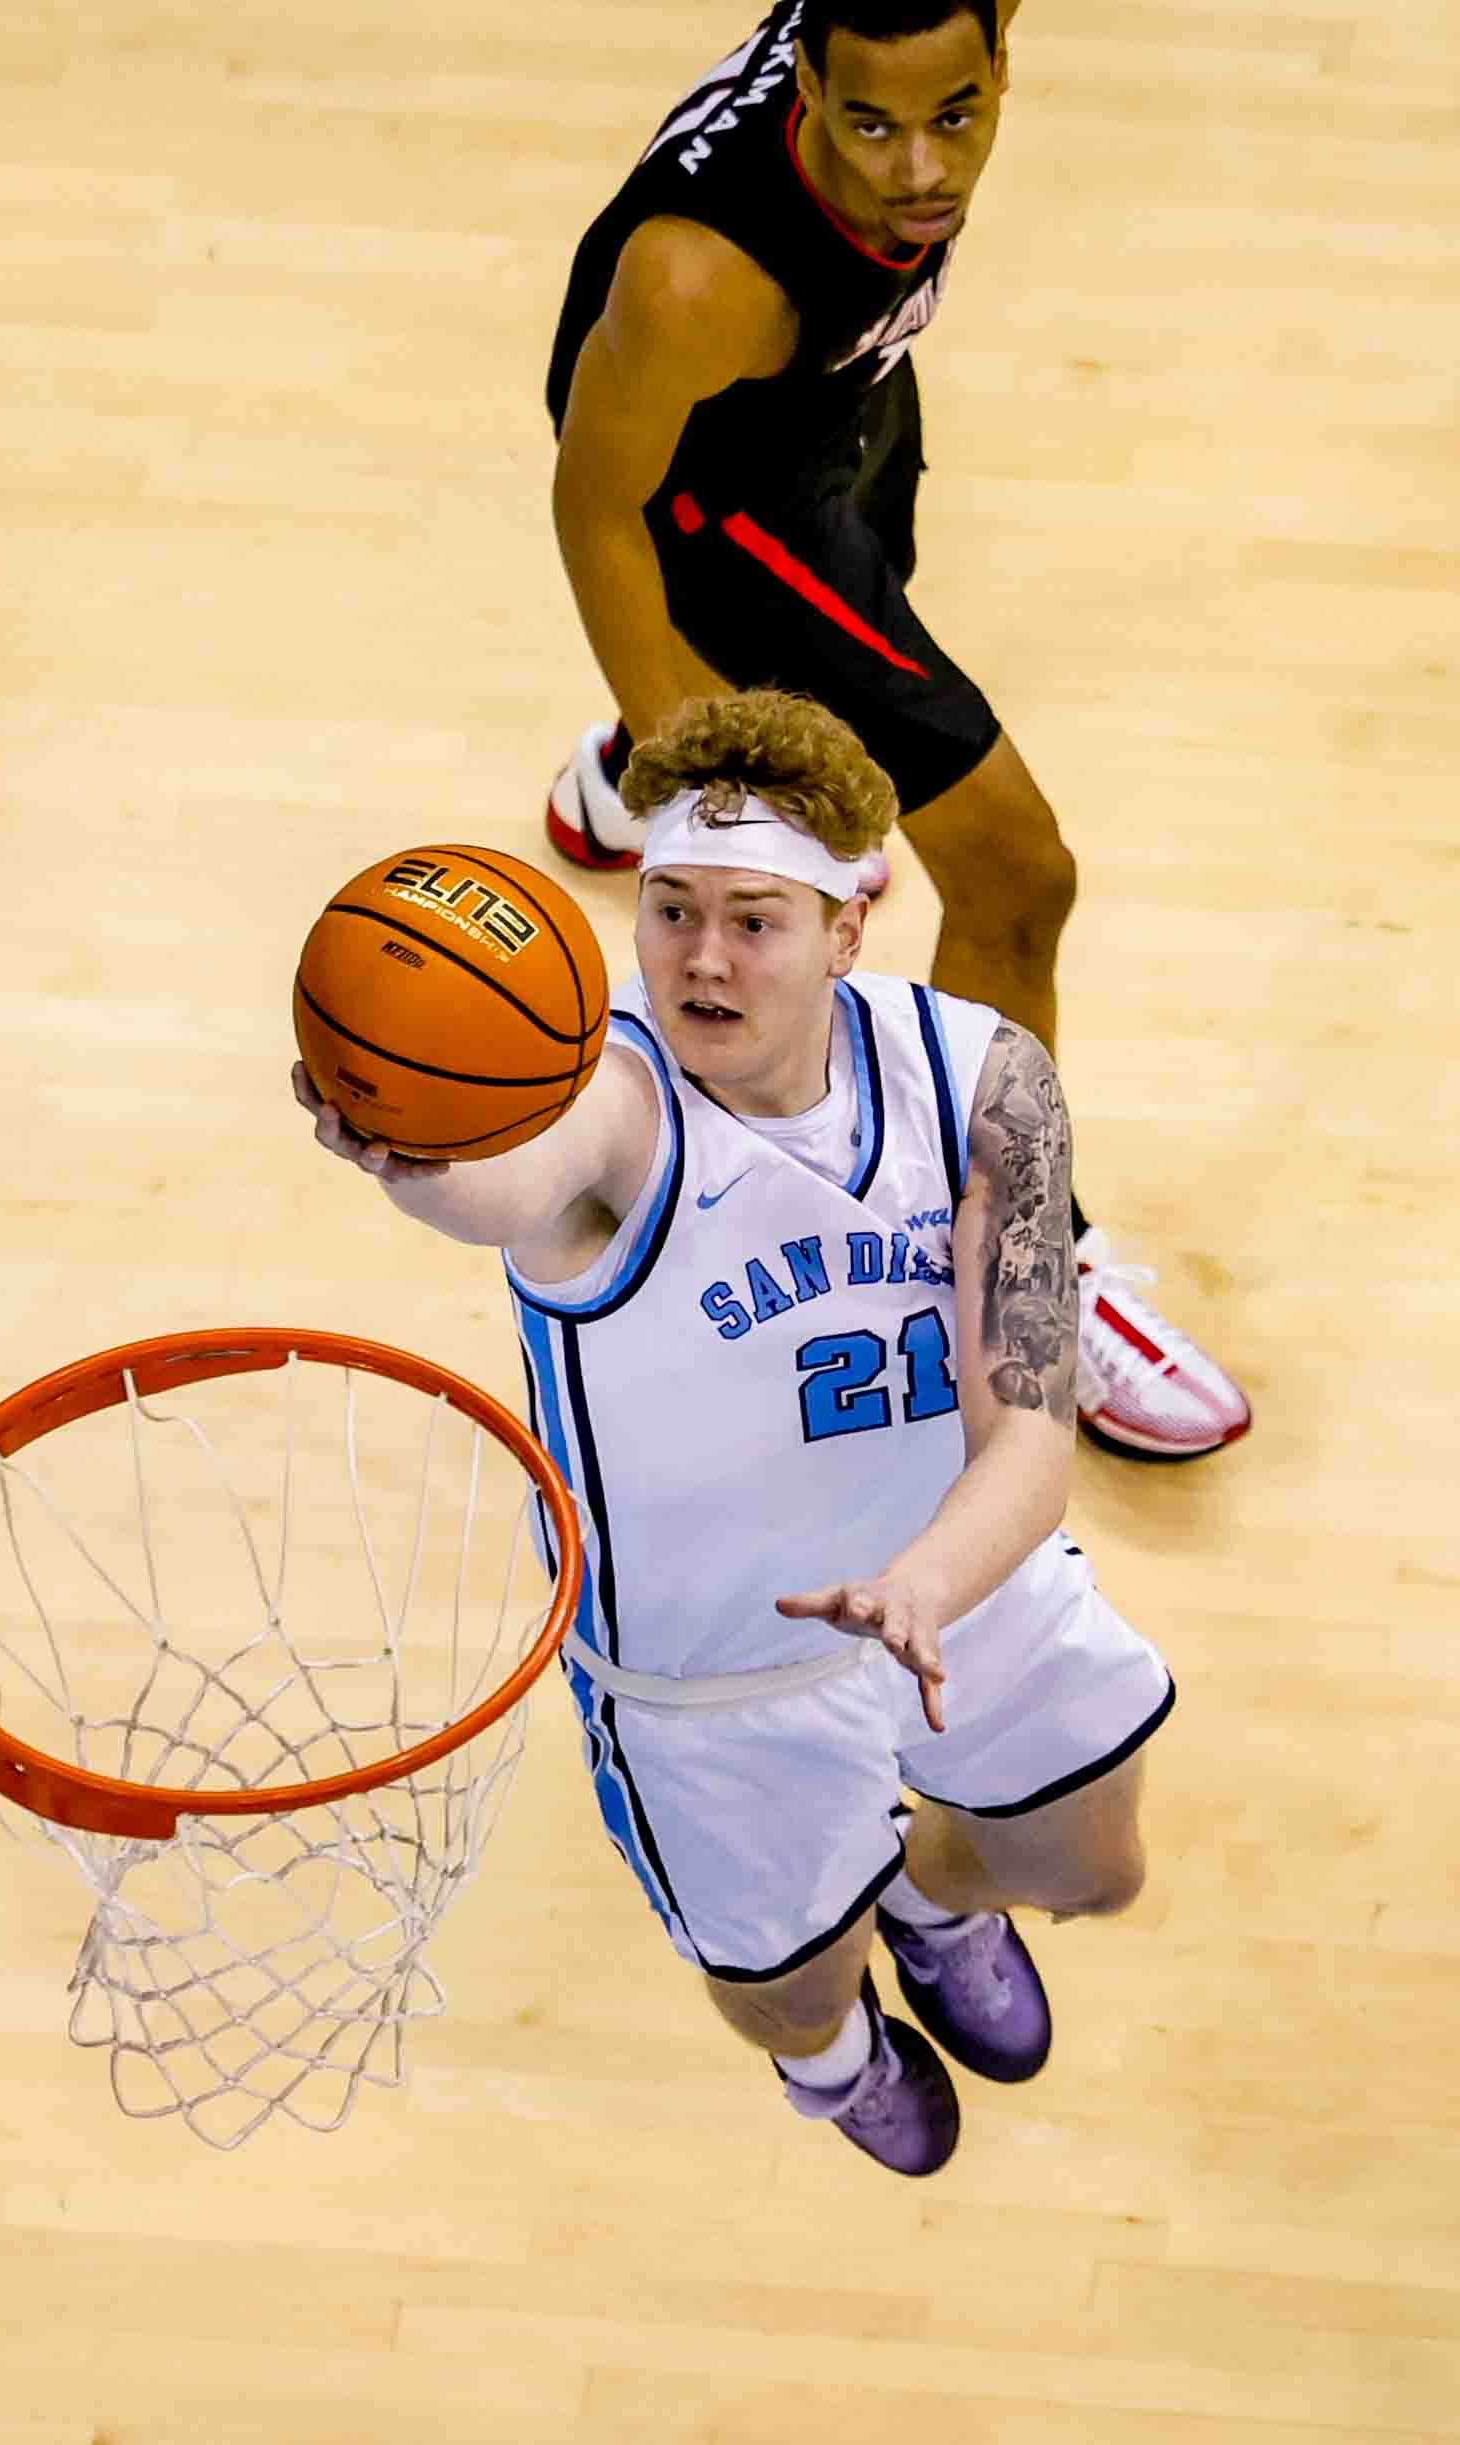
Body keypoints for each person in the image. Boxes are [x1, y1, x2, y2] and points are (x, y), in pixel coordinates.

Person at [295, 690, 1174, 2175]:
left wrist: (921, 1589)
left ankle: (930, 1899)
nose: (701, 957)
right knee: (789, 1987)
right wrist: (408, 1150)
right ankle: (832, 2064)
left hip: (959, 1586)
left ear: (846, 929)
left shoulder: (986, 1084)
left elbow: (1029, 1440)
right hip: (712, 1684)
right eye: (671, 910)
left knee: (1091, 1871)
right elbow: (506, 1183)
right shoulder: (611, 1104)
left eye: (753, 921)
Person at [540, 0, 1249, 1462]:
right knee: (1019, 877)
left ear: (1003, 59)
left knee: (854, 640)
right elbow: (597, 507)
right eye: (869, 124)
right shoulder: (700, 280)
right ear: (806, 76)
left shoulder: (907, 76)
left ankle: (636, 746)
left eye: (957, 116)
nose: (922, 171)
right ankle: (1021, 1281)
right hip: (717, 503)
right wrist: (705, 784)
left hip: (835, 400)